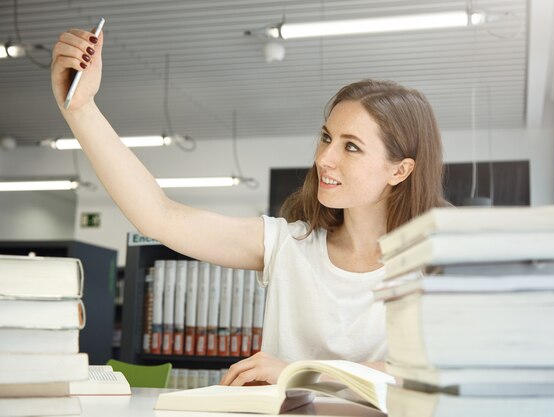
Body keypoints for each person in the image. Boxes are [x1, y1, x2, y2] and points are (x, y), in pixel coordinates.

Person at [51, 27, 446, 386]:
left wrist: (298, 373)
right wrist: (81, 108)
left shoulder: (437, 265)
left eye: (351, 147)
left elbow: (423, 377)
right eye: (326, 138)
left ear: (400, 170)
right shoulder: (287, 245)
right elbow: (159, 216)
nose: (325, 158)